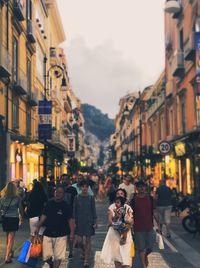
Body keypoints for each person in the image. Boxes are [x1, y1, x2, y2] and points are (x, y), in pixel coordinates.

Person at [35, 186, 75, 268]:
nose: (58, 194)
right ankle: (51, 264)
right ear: (54, 193)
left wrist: (72, 233)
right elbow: (44, 215)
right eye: (57, 192)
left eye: (60, 192)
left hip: (62, 234)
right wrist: (38, 226)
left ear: (63, 195)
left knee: (58, 256)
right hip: (48, 232)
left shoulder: (66, 206)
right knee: (46, 256)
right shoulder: (49, 203)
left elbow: (70, 220)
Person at [101, 192, 133, 268]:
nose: (119, 195)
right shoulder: (112, 206)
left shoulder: (127, 207)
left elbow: (131, 221)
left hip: (126, 233)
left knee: (127, 259)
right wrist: (115, 220)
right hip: (115, 234)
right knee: (117, 257)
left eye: (121, 194)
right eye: (118, 194)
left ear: (124, 196)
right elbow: (110, 221)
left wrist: (124, 234)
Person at [130, 181, 155, 268]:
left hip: (149, 227)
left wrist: (158, 225)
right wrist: (131, 226)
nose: (142, 188)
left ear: (145, 188)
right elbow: (131, 214)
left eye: (143, 187)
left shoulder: (150, 199)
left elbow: (154, 212)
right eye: (139, 187)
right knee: (141, 248)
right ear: (136, 189)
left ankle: (145, 256)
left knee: (150, 247)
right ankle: (144, 265)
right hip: (138, 228)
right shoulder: (133, 200)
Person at [73, 179, 97, 267]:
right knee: (79, 241)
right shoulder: (77, 197)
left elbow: (93, 210)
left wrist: (95, 221)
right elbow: (74, 211)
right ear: (80, 188)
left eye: (86, 187)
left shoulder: (91, 198)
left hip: (89, 221)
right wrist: (74, 222)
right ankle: (84, 251)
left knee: (88, 240)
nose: (85, 188)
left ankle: (86, 260)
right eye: (83, 187)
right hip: (79, 221)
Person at [0, 182, 24, 263]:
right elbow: (21, 209)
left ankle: (10, 252)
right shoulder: (17, 198)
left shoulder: (2, 198)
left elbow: (1, 209)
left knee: (7, 237)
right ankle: (7, 257)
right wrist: (22, 217)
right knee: (11, 238)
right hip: (14, 218)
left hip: (5, 219)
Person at [60, 174, 78, 258]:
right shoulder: (58, 189)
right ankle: (62, 250)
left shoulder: (72, 190)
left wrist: (75, 214)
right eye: (63, 179)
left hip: (70, 214)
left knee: (71, 233)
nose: (64, 180)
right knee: (61, 233)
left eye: (65, 179)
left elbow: (75, 202)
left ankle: (71, 250)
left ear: (68, 180)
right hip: (60, 214)